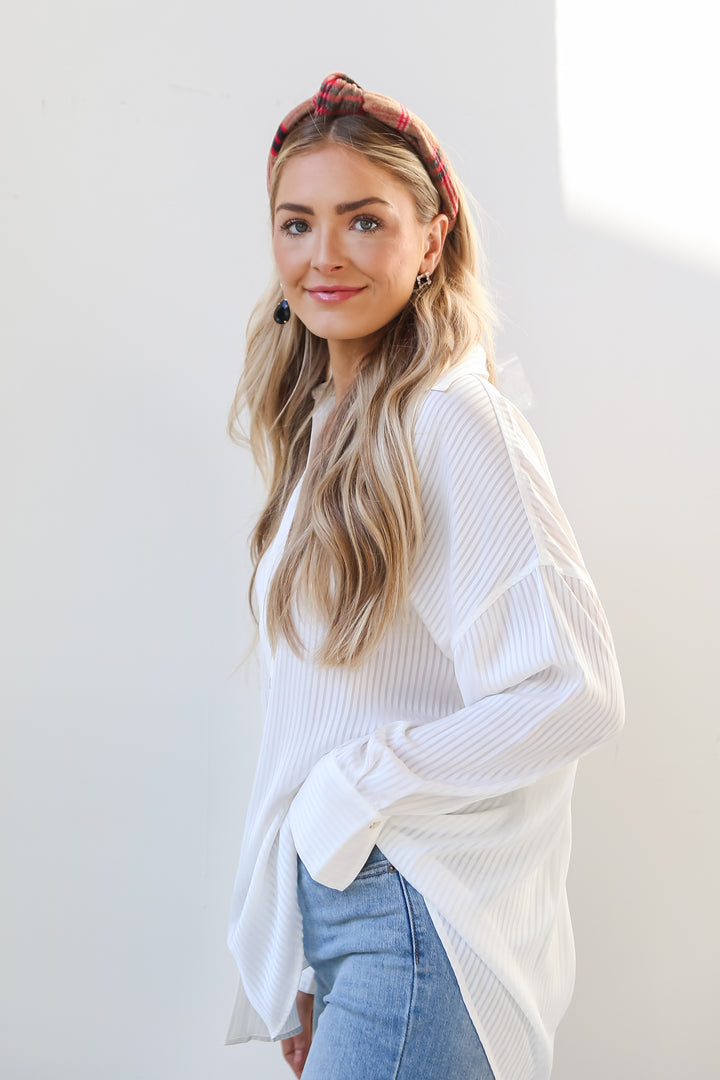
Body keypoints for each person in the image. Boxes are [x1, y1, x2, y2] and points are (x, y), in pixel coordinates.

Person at [225, 73, 624, 1080]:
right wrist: (298, 946)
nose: (323, 256)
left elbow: (573, 688)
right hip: (356, 908)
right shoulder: (329, 431)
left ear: (431, 237)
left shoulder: (453, 417)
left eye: (364, 221)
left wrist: (356, 791)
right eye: (296, 222)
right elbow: (320, 711)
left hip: (415, 909)